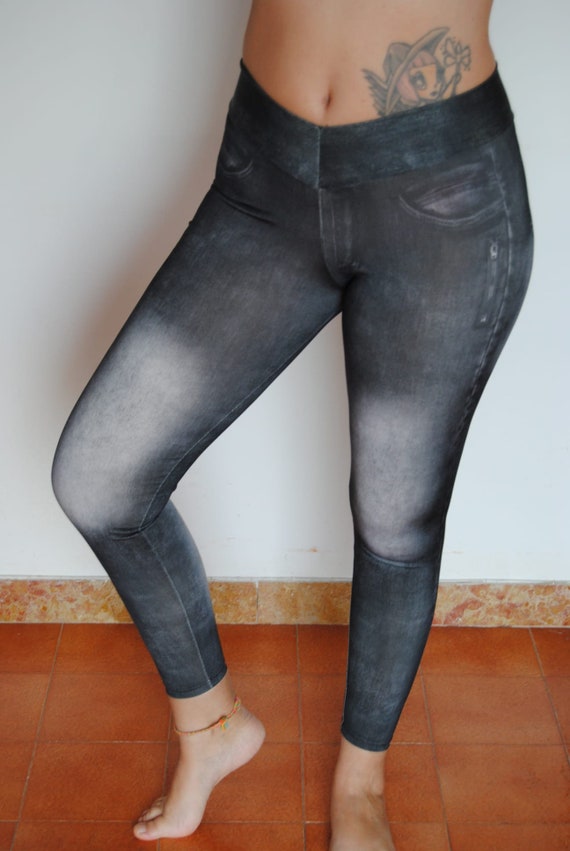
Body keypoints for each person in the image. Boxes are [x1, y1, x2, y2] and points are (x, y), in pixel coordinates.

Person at [51, 0, 533, 847]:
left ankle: (361, 784)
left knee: (395, 520)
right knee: (100, 475)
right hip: (265, 177)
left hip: (444, 193)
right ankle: (214, 730)